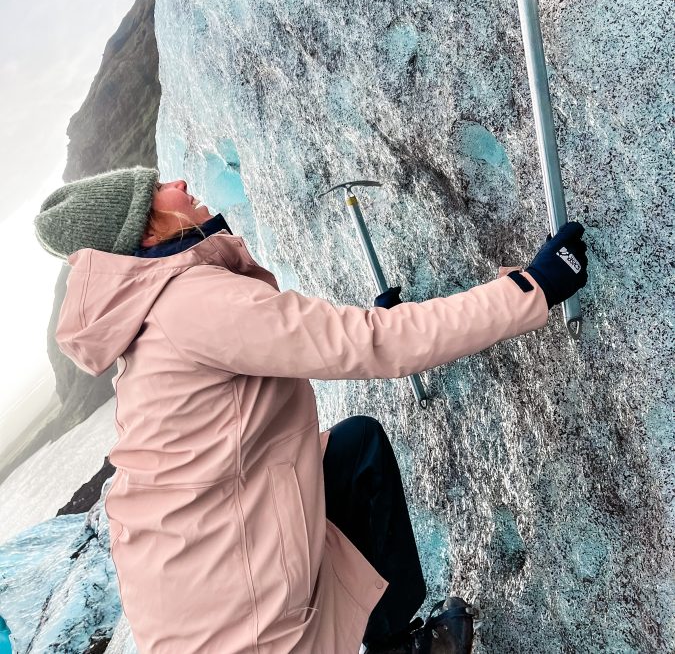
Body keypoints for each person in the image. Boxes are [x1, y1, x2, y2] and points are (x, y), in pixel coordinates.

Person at [33, 165, 588, 654]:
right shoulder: (192, 304)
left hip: (197, 582)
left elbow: (289, 355)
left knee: (354, 452)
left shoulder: (155, 317)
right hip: (236, 623)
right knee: (355, 455)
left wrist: (372, 328)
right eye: (158, 189)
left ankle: (392, 636)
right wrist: (531, 287)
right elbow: (370, 343)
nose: (178, 182)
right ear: (148, 230)